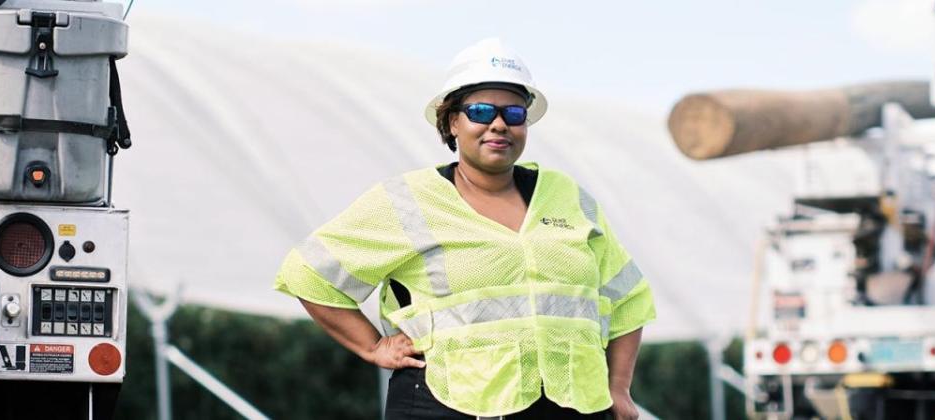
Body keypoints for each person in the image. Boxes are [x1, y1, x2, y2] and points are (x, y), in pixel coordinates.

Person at [274, 38, 656, 420]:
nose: (499, 124)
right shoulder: (409, 200)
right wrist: (374, 346)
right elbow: (308, 272)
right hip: (446, 406)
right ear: (452, 121)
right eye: (481, 111)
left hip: (574, 406)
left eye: (514, 113)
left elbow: (629, 297)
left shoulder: (567, 196)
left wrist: (618, 387)